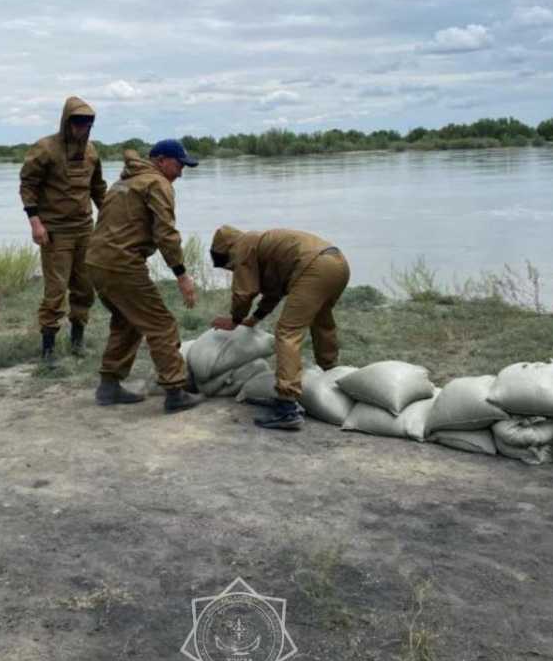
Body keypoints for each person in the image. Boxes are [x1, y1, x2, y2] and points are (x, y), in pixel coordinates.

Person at [86, 139, 203, 412]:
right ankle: (175, 391)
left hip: (96, 262)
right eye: (178, 165)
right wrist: (182, 275)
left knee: (127, 321)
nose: (181, 173)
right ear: (161, 160)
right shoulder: (157, 183)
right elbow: (166, 234)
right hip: (121, 264)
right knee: (160, 324)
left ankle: (109, 386)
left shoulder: (123, 182)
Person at [209, 226, 350, 430]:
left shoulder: (241, 248)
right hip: (337, 264)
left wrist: (235, 319)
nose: (232, 270)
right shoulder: (259, 244)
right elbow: (273, 292)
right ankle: (331, 372)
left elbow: (244, 292)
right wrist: (254, 318)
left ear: (227, 252)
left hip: (314, 267)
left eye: (230, 267)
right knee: (322, 322)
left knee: (287, 332)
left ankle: (286, 406)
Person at [19, 96, 109, 361]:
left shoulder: (92, 151)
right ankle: (48, 349)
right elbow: (28, 186)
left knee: (84, 288)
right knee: (55, 291)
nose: (83, 127)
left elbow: (98, 189)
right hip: (55, 231)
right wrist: (35, 223)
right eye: (78, 121)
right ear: (67, 121)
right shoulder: (45, 149)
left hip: (85, 229)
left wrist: (111, 217)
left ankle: (77, 342)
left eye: (88, 122)